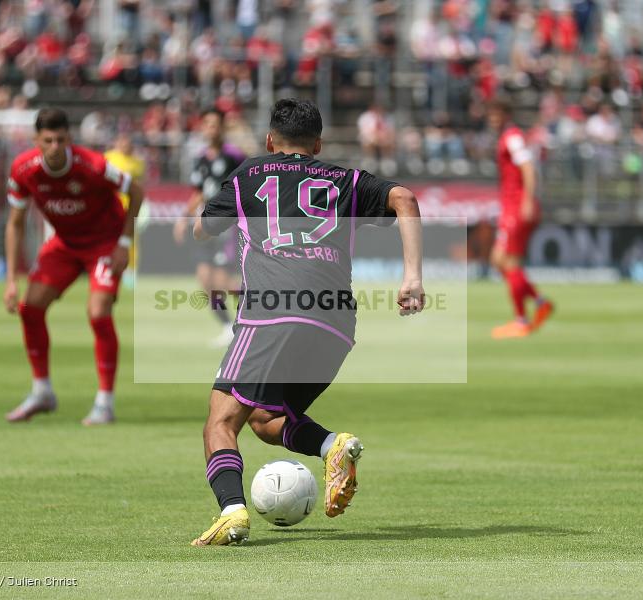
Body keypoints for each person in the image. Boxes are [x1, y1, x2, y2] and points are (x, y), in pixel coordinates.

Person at [189, 98, 424, 546]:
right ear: (317, 144)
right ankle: (333, 446)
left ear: (269, 140)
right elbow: (405, 199)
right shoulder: (346, 180)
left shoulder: (249, 174)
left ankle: (232, 513)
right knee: (265, 417)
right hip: (336, 323)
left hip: (272, 312)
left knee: (221, 421)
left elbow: (202, 230)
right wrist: (412, 277)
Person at [3, 108, 143, 425]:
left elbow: (136, 191)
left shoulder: (93, 165)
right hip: (65, 243)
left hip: (104, 244)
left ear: (69, 139)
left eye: (61, 140)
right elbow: (15, 223)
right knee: (30, 308)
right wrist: (11, 279)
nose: (55, 147)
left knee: (98, 311)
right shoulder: (23, 169)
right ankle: (42, 391)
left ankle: (105, 403)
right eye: (48, 141)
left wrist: (124, 243)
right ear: (36, 140)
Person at [173, 108, 246, 347]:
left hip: (229, 226)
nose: (211, 129)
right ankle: (228, 328)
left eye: (215, 124)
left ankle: (259, 310)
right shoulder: (201, 159)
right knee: (205, 281)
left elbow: (248, 186)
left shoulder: (235, 156)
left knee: (224, 282)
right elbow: (199, 193)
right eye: (207, 124)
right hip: (207, 226)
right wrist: (183, 219)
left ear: (223, 127)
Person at [486, 98, 553, 339]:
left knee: (510, 262)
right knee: (498, 260)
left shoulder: (512, 137)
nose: (493, 120)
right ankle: (540, 302)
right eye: (491, 116)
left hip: (517, 208)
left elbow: (527, 168)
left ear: (506, 115)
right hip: (510, 207)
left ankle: (522, 321)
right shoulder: (507, 137)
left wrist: (527, 200)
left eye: (497, 115)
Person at [104, 132, 146, 286]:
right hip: (112, 206)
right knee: (109, 238)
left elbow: (140, 186)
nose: (125, 145)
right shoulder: (108, 158)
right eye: (122, 142)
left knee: (131, 239)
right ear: (117, 143)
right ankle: (106, 266)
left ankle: (131, 271)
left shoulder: (138, 162)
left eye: (128, 143)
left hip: (131, 207)